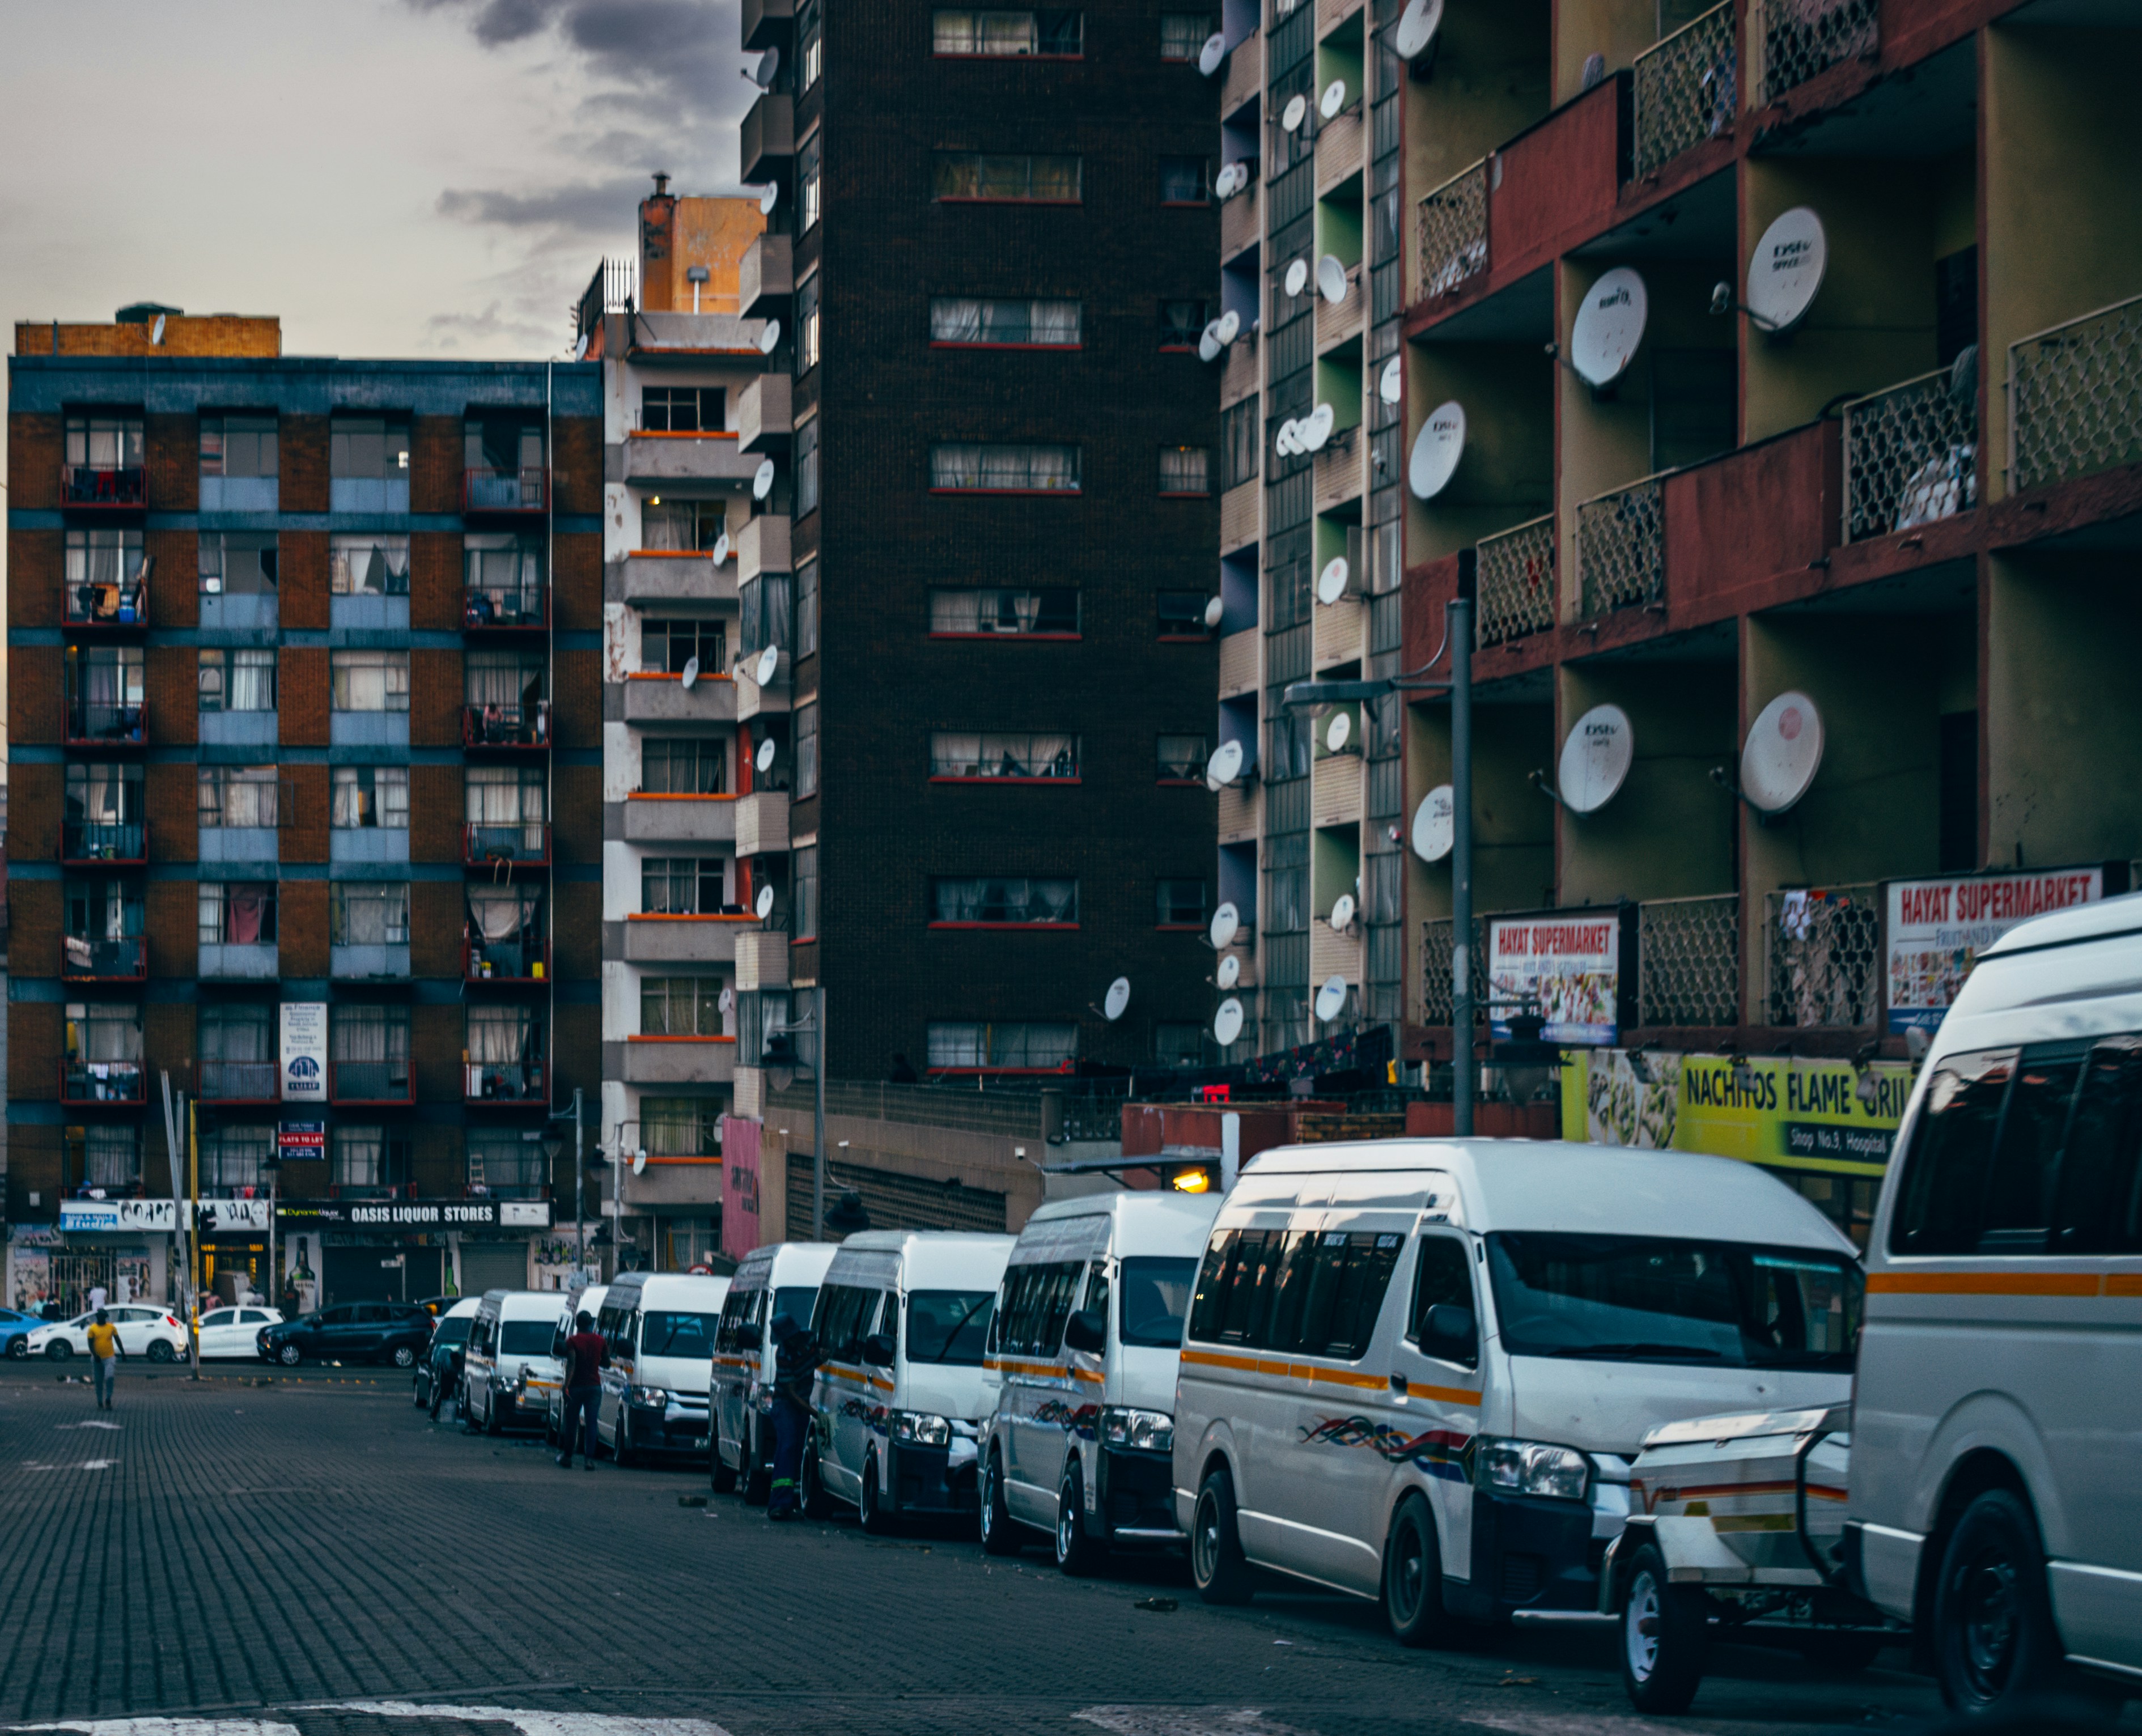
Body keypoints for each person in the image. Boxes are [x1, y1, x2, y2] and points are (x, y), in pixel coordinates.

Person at [765, 1311, 817, 1520]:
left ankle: (788, 1501)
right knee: (787, 1446)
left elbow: (817, 1358)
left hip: (801, 1405)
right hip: (785, 1405)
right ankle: (778, 1504)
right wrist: (815, 1413)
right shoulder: (783, 1355)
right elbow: (792, 1393)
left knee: (796, 1452)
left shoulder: (811, 1340)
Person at [556, 1309, 607, 1470]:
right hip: (594, 1387)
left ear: (577, 1324)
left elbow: (571, 1364)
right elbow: (607, 1363)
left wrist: (566, 1386)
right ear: (591, 1323)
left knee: (572, 1422)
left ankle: (567, 1457)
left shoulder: (572, 1341)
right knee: (592, 1423)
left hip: (576, 1387)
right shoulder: (600, 1340)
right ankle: (589, 1460)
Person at [85, 1310, 121, 1410]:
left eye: (103, 1316)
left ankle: (108, 1398)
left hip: (110, 1357)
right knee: (98, 1381)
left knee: (110, 1377)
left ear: (105, 1317)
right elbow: (90, 1344)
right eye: (99, 1316)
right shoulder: (92, 1329)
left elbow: (118, 1340)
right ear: (97, 1317)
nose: (101, 1318)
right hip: (97, 1359)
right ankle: (100, 1401)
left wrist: (123, 1353)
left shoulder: (111, 1327)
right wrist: (95, 1355)